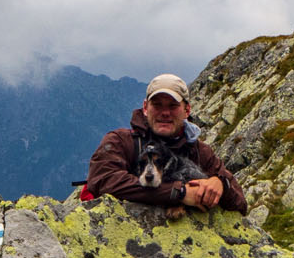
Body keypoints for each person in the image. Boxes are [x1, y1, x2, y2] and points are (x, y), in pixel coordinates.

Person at [83, 74, 249, 213]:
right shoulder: (120, 141)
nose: (165, 113)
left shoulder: (199, 151)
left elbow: (240, 203)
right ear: (145, 107)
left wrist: (220, 184)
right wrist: (180, 193)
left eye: (173, 106)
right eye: (157, 105)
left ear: (187, 110)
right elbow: (102, 180)